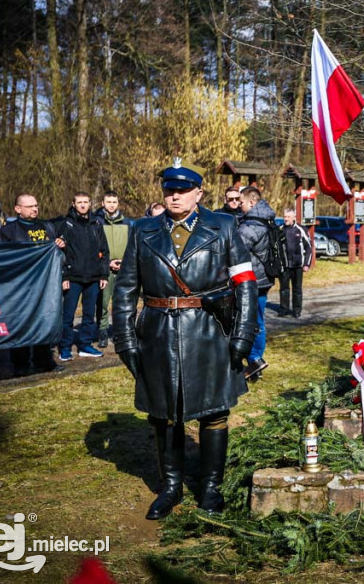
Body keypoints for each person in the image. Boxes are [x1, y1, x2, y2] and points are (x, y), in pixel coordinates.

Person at [112, 158, 258, 520]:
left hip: (209, 332)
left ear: (199, 193)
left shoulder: (223, 226)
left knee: (214, 413)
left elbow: (245, 284)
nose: (174, 196)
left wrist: (243, 333)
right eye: (169, 189)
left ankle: (211, 486)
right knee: (165, 413)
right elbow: (126, 290)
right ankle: (171, 486)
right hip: (158, 333)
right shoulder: (142, 230)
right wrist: (125, 340)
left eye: (182, 190)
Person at [0, 193, 67, 375]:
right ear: (18, 209)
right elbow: (0, 259)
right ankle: (20, 364)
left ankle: (44, 361)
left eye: (36, 205)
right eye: (29, 206)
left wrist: (60, 246)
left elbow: (59, 256)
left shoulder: (47, 226)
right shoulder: (8, 231)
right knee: (21, 323)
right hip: (21, 287)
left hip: (45, 285)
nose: (35, 209)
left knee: (45, 321)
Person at [56, 192, 110, 361]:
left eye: (85, 202)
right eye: (79, 202)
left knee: (89, 315)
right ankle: (65, 347)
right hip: (73, 277)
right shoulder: (66, 224)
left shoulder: (96, 224)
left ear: (90, 203)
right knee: (68, 316)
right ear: (73, 204)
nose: (83, 205)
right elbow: (59, 253)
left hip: (93, 278)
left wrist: (103, 274)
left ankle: (85, 345)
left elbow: (104, 251)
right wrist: (64, 277)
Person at [236, 187, 275, 380]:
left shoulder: (251, 225)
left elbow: (236, 250)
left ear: (251, 202)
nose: (239, 205)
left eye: (241, 202)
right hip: (263, 278)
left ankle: (254, 360)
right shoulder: (266, 219)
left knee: (250, 321)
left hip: (252, 280)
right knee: (257, 320)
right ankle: (255, 360)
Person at [94, 192, 130, 348]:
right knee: (102, 302)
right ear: (102, 203)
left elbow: (131, 246)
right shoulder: (96, 223)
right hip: (105, 269)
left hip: (123, 269)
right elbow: (93, 247)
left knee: (120, 303)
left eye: (114, 201)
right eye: (108, 202)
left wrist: (125, 262)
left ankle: (118, 332)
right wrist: (107, 263)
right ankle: (102, 331)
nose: (111, 205)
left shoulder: (128, 223)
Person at [277, 208, 311, 318]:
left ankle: (297, 310)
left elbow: (309, 248)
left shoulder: (301, 230)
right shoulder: (280, 229)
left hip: (297, 265)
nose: (286, 219)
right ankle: (284, 309)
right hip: (285, 265)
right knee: (284, 288)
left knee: (297, 289)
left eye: (288, 217)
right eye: (284, 217)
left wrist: (306, 264)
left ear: (293, 218)